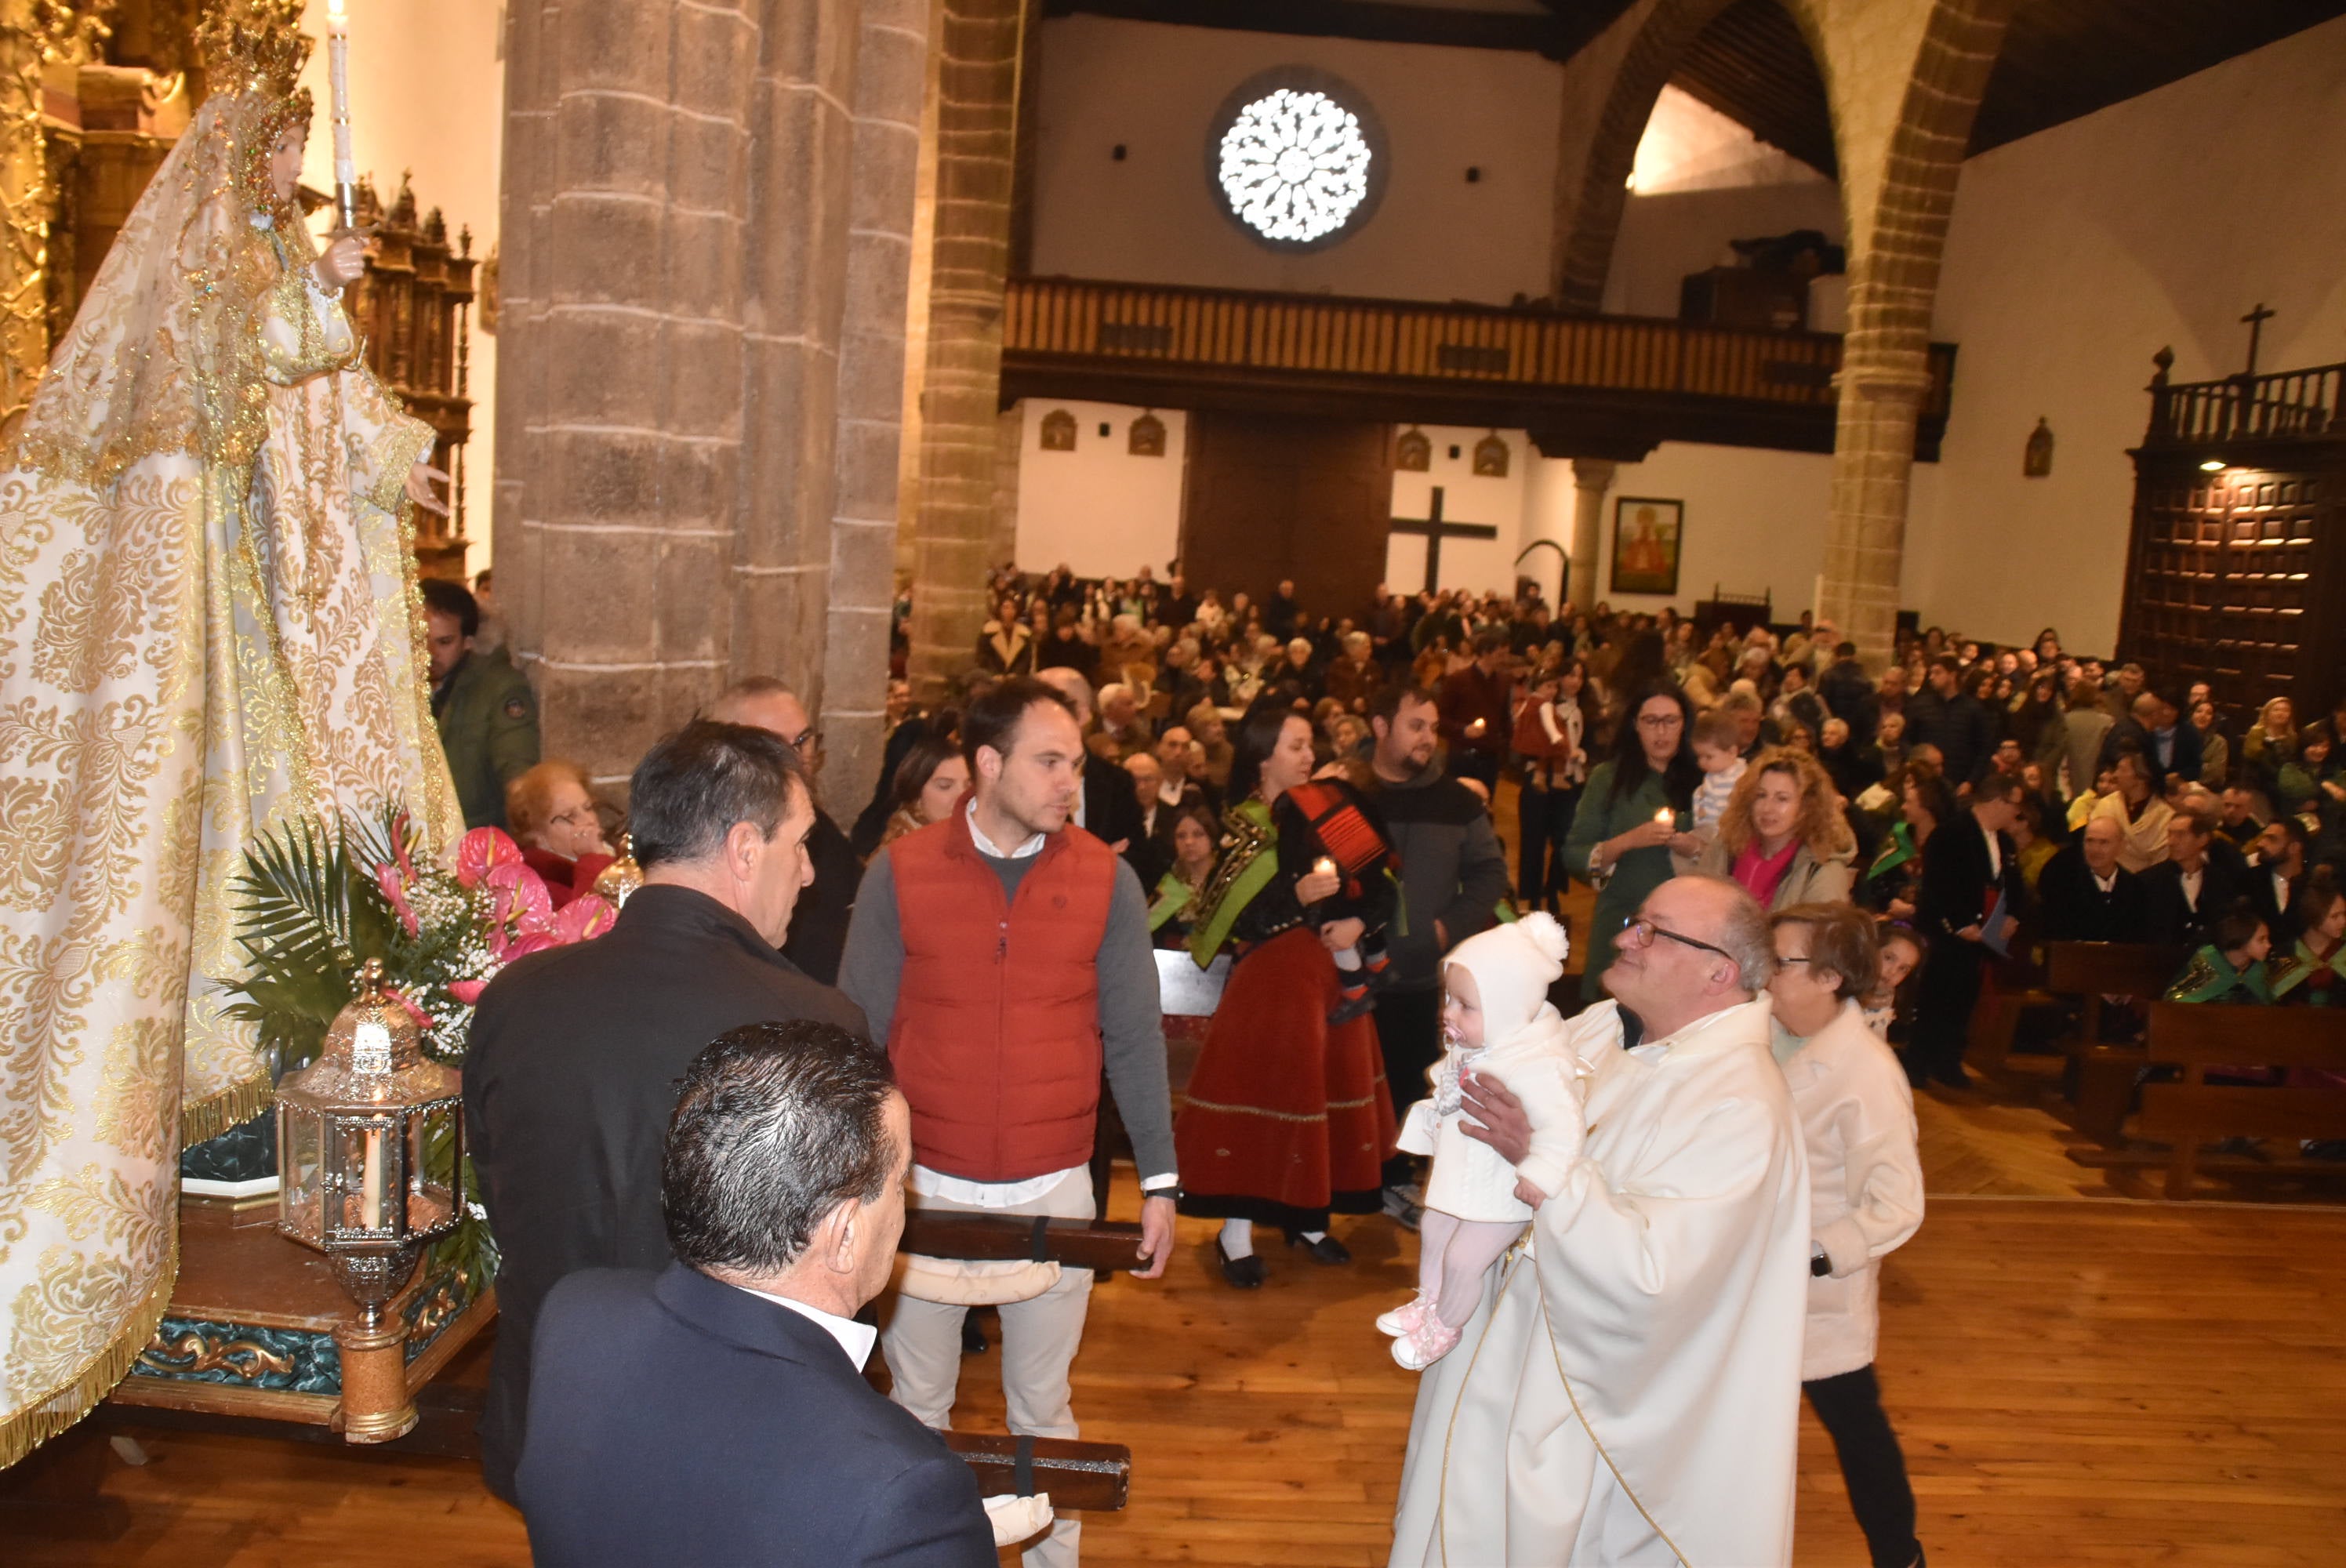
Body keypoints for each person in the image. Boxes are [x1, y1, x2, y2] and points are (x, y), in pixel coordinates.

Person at [0, 16, 466, 1439]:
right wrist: (318, 299)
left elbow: (327, 421)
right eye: (281, 147)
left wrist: (399, 456)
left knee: (291, 839)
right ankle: (203, 1132)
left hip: (271, 604)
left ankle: (270, 1107)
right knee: (216, 850)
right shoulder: (211, 264)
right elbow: (215, 376)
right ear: (239, 152)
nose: (294, 168)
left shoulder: (268, 260)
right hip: (214, 601)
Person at [464, 720, 863, 1503]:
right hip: (728, 1435)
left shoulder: (516, 998)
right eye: (801, 843)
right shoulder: (814, 1024)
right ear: (745, 848)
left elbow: (493, 1193)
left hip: (553, 1413)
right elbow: (832, 1268)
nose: (810, 872)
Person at [839, 677, 1176, 1568]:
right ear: (989, 764)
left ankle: (1054, 1561)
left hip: (1054, 1182)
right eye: (1051, 760)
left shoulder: (1108, 877)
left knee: (1042, 1404)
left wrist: (1161, 1180)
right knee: (916, 1404)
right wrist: (848, 1177)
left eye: (1076, 763)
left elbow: (1136, 1036)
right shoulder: (900, 872)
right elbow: (858, 1034)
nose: (1071, 781)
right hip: (924, 1183)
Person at [1388, 877, 1809, 1567]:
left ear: (1718, 972)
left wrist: (1542, 1164)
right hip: (1498, 1350)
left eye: (1651, 930)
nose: (1622, 936)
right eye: (1634, 922)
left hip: (1586, 1403)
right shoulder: (1597, 1030)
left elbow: (1657, 1279)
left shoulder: (1740, 1104)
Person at [515, 1022, 997, 1568]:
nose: (906, 1201)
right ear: (844, 1236)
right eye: (900, 1181)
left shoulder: (575, 1315)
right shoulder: (905, 1494)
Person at [1175, 707, 1400, 1283]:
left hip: (1332, 982)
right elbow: (1228, 920)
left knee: (1323, 1099)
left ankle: (1310, 1218)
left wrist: (1359, 926)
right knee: (1266, 1102)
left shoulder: (1332, 807)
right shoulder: (1243, 828)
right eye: (1296, 746)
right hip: (1271, 989)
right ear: (1263, 757)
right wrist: (1296, 892)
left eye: (1309, 745)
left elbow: (1378, 885)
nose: (1308, 756)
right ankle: (1236, 1232)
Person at [1765, 905, 1927, 1568]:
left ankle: (1900, 1557)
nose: (1766, 973)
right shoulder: (1762, 1034)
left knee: (1858, 1433)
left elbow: (1897, 1205)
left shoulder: (1867, 1072)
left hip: (1815, 1296)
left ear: (1830, 977)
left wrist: (1809, 1255)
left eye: (1782, 962)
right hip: (1745, 1283)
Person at [1381, 916, 1583, 1370]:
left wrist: (1541, 1173)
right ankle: (1428, 1303)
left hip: (1501, 1192)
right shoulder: (1478, 1047)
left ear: (1507, 1008)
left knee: (1463, 1259)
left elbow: (1563, 1125)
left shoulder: (1538, 1065)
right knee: (1433, 1231)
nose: (1449, 1013)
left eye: (1465, 1006)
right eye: (1448, 999)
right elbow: (1448, 1090)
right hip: (1463, 1181)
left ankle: (1445, 1328)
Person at [1362, 685, 1512, 1225]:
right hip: (1351, 973)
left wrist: (1448, 926)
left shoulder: (1457, 802)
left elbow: (1491, 873)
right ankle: (1351, 1183)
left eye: (1432, 727)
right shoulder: (1349, 793)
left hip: (1424, 975)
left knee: (1411, 1080)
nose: (1429, 737)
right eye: (1415, 725)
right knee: (1354, 1082)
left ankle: (1399, 1181)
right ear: (1381, 727)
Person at [707, 678, 863, 987]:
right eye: (777, 745)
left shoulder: (821, 827)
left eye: (803, 739)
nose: (799, 757)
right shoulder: (708, 839)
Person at [1566, 682, 1701, 1001]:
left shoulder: (1708, 780)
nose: (1661, 731)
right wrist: (1627, 841)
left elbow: (1731, 852)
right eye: (1651, 721)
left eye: (1671, 720)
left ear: (1685, 725)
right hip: (1621, 920)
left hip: (1688, 932)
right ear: (1635, 726)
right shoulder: (1607, 778)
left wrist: (1695, 848)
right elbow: (1574, 854)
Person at [1907, 773, 2027, 1089]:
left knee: (1964, 999)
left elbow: (2013, 883)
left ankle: (1948, 1061)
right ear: (1997, 801)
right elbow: (1939, 885)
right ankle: (1918, 1061)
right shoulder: (1950, 834)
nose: (2018, 812)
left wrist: (2014, 914)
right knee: (1936, 997)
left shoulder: (2005, 841)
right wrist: (1960, 923)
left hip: (1983, 934)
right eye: (2015, 804)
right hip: (1949, 934)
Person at [425, 577, 542, 830]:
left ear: (468, 641)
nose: (429, 652)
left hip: (474, 839)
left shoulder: (500, 688)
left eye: (444, 642)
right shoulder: (400, 684)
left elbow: (518, 770)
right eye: (420, 638)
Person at [1694, 747, 1858, 909]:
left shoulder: (1823, 870)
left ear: (1808, 806)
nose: (1767, 808)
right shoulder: (1724, 847)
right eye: (1761, 795)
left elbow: (1820, 933)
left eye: (1782, 799)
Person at [1034, 666, 1146, 856]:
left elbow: (1137, 854)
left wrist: (1103, 865)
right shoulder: (1016, 779)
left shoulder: (1117, 782)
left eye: (1051, 704)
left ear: (1082, 715)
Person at [505, 759, 616, 909]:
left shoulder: (613, 852)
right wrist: (593, 859)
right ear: (538, 836)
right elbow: (587, 923)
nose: (589, 820)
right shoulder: (540, 890)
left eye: (588, 807)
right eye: (570, 816)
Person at [2036, 814, 2152, 943]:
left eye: (2104, 842)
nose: (2095, 850)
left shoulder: (2136, 888)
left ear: (2121, 846)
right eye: (2090, 841)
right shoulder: (2063, 884)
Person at [2141, 804, 2244, 948]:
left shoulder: (2220, 882)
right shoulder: (2148, 881)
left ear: (2202, 839)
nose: (2172, 841)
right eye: (2170, 834)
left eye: (2180, 835)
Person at [1436, 632, 1514, 790]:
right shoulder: (1457, 680)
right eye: (1500, 655)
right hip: (1463, 755)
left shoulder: (1504, 681)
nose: (1505, 660)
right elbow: (1440, 720)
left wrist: (1506, 744)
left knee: (1485, 804)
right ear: (1485, 653)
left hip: (1490, 756)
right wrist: (1464, 730)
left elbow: (1504, 719)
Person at [1146, 800, 1222, 949]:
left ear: (1212, 839)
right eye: (1181, 836)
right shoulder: (1168, 885)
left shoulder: (1227, 879)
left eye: (1198, 834)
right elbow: (1146, 928)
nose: (1189, 842)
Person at [877, 733, 971, 851]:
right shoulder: (902, 852)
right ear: (916, 791)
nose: (962, 796)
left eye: (968, 785)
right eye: (945, 786)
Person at [1680, 707, 1750, 867]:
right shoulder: (1713, 774)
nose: (1702, 762)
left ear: (1732, 752)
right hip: (1707, 830)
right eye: (1699, 757)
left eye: (1709, 757)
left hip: (1726, 837)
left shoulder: (1741, 778)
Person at [2163, 906, 2275, 1004]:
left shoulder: (2258, 970)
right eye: (2261, 940)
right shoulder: (2209, 960)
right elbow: (2175, 1001)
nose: (2268, 945)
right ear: (2242, 940)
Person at [2269, 869, 2346, 1006]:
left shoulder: (2343, 953)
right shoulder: (2285, 954)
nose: (2343, 922)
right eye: (2335, 917)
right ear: (2314, 917)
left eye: (2344, 914)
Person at [2091, 750, 2175, 873]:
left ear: (2140, 778)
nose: (2115, 775)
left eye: (2122, 770)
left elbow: (2161, 862)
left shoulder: (2165, 816)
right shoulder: (2106, 805)